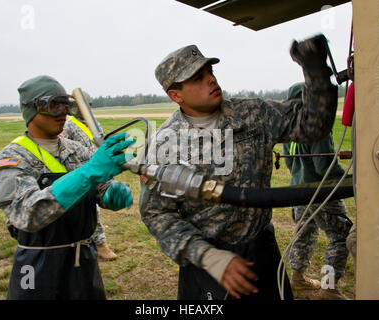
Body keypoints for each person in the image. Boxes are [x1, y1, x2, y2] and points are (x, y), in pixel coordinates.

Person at [139, 34, 339, 300]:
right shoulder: (165, 144)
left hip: (262, 250)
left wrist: (315, 72)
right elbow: (157, 214)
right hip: (209, 262)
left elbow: (313, 126)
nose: (211, 79)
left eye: (209, 71)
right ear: (176, 95)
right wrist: (207, 257)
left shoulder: (252, 113)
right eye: (197, 78)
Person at [0, 75, 135, 299]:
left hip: (83, 260)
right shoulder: (13, 159)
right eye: (53, 105)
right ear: (31, 110)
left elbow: (100, 188)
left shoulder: (76, 150)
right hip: (37, 265)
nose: (63, 112)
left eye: (66, 105)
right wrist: (87, 173)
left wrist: (112, 193)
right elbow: (26, 215)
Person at [282, 82, 353, 300]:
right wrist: (349, 181)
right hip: (320, 192)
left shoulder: (289, 128)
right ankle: (329, 287)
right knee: (341, 235)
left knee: (304, 233)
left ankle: (298, 278)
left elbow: (290, 162)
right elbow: (325, 167)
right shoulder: (317, 126)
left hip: (298, 191)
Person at [61, 98, 120, 261]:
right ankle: (101, 245)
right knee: (92, 210)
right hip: (81, 171)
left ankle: (97, 243)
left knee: (95, 208)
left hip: (98, 171)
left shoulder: (93, 124)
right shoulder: (69, 126)